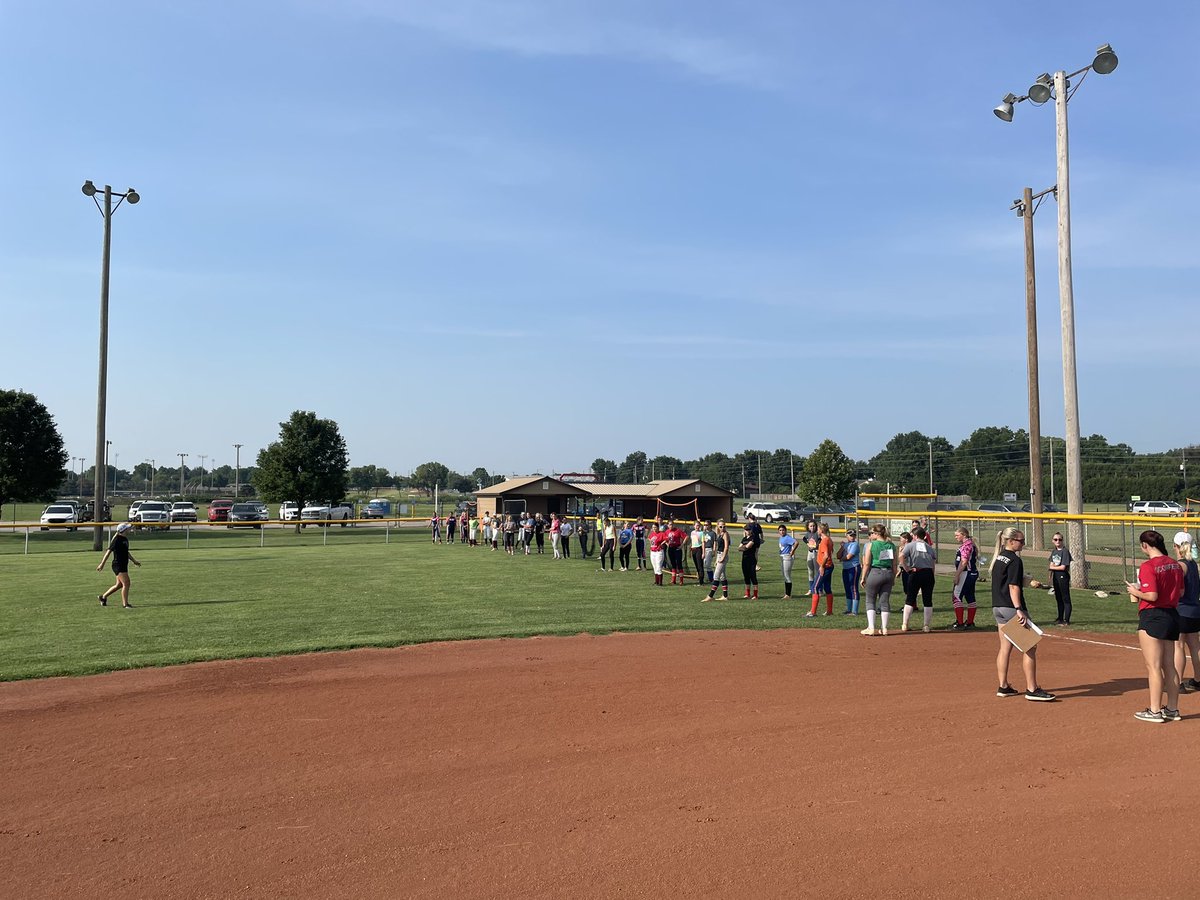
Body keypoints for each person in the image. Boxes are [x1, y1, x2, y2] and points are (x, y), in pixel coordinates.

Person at [991, 527, 1055, 701]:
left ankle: (1003, 686)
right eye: (1021, 540)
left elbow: (1005, 582)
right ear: (1011, 541)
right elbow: (1013, 586)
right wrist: (1019, 609)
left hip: (998, 606)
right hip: (1011, 608)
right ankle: (1032, 689)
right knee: (1030, 647)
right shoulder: (1014, 560)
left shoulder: (999, 557)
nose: (1023, 543)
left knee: (1005, 648)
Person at [1126, 530, 1183, 722]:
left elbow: (1152, 596)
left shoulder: (1148, 566)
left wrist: (1135, 591)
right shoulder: (1175, 564)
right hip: (1172, 615)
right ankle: (1173, 709)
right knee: (1169, 666)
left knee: (1154, 667)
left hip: (1153, 615)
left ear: (1145, 545)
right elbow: (1180, 592)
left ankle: (1155, 710)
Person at [1172, 532, 1200, 691]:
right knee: (1195, 646)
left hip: (1182, 610)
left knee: (1179, 646)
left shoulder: (1180, 565)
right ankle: (1198, 679)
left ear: (1176, 546)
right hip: (1195, 609)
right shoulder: (1193, 564)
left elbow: (1179, 591)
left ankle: (1178, 682)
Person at [859, 524, 897, 636]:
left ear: (876, 534)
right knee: (884, 601)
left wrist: (863, 577)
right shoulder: (891, 545)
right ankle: (884, 628)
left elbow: (866, 563)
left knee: (870, 600)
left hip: (875, 572)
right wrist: (893, 577)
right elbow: (894, 564)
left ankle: (871, 628)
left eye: (872, 533)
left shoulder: (871, 545)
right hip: (888, 573)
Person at [900, 526, 937, 633]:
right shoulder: (929, 547)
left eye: (912, 535)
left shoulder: (910, 545)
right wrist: (931, 574)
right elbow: (933, 563)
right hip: (928, 573)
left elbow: (901, 557)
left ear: (915, 536)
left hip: (916, 572)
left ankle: (905, 624)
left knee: (910, 598)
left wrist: (906, 568)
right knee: (927, 600)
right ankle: (926, 625)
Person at [96, 522, 140, 608]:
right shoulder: (116, 540)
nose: (129, 529)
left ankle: (103, 597)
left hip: (123, 564)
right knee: (126, 583)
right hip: (118, 565)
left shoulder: (125, 539)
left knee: (119, 585)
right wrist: (102, 564)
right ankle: (125, 604)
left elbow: (126, 552)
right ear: (123, 530)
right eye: (128, 528)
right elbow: (108, 552)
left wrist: (134, 561)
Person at [951, 526, 979, 630]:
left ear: (964, 535)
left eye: (957, 535)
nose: (956, 537)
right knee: (970, 596)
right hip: (972, 573)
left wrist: (957, 575)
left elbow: (964, 562)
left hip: (966, 573)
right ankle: (970, 622)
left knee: (956, 596)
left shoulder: (966, 545)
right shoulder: (971, 544)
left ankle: (960, 622)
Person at [807, 523, 835, 617]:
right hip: (829, 566)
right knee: (827, 588)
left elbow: (826, 555)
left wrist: (822, 566)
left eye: (818, 529)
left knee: (815, 587)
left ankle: (813, 612)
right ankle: (829, 611)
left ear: (821, 530)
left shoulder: (824, 541)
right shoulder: (829, 539)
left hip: (825, 566)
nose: (817, 531)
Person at [1048, 532, 1072, 626]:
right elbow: (1050, 564)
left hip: (1063, 576)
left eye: (1060, 539)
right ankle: (1060, 618)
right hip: (1056, 576)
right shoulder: (1054, 551)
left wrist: (1053, 567)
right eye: (1055, 539)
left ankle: (1067, 620)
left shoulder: (1065, 551)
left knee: (1065, 598)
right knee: (1058, 598)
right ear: (1053, 541)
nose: (1058, 541)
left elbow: (1063, 567)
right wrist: (1052, 570)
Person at [704, 521, 731, 601]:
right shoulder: (719, 534)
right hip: (719, 555)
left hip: (723, 555)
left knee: (716, 576)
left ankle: (710, 596)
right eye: (721, 526)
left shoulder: (725, 534)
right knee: (722, 576)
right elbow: (719, 547)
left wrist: (723, 557)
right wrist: (717, 559)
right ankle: (725, 596)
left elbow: (726, 547)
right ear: (718, 527)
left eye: (724, 526)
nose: (723, 528)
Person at [838, 527, 860, 615]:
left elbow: (848, 557)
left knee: (853, 587)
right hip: (846, 568)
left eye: (854, 535)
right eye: (850, 535)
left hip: (853, 567)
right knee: (847, 588)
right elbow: (838, 555)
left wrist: (841, 559)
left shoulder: (855, 544)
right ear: (846, 536)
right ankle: (849, 609)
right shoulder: (846, 544)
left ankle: (854, 610)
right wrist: (842, 548)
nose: (852, 537)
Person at [739, 515, 761, 600]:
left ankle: (755, 595)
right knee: (746, 576)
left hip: (752, 559)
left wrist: (744, 547)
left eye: (748, 529)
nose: (747, 531)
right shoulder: (744, 538)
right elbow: (739, 548)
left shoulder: (753, 538)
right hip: (744, 559)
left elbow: (746, 547)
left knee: (753, 576)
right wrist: (744, 547)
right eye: (746, 529)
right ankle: (747, 593)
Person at [777, 524, 798, 600]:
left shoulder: (787, 538)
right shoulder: (781, 538)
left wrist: (792, 551)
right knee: (785, 575)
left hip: (787, 557)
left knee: (787, 575)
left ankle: (788, 594)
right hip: (782, 557)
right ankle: (787, 594)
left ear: (785, 530)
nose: (782, 532)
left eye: (783, 530)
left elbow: (796, 542)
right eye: (780, 530)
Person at [665, 520, 688, 585]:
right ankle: (673, 580)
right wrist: (667, 544)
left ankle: (681, 580)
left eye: (672, 524)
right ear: (667, 525)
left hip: (677, 548)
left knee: (679, 564)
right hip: (671, 549)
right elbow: (664, 539)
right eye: (669, 524)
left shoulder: (678, 530)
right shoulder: (666, 532)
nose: (671, 526)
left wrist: (682, 545)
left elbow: (686, 537)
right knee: (673, 564)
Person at [803, 520, 819, 594]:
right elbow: (804, 538)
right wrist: (807, 544)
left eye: (814, 526)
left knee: (817, 571)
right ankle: (810, 589)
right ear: (808, 527)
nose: (812, 527)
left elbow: (820, 539)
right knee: (810, 571)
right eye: (811, 526)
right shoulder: (808, 533)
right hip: (809, 553)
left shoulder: (817, 533)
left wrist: (816, 545)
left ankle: (818, 589)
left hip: (816, 552)